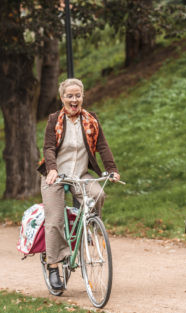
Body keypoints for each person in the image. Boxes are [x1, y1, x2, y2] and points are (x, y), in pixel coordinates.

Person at [37, 78, 120, 290]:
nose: (74, 100)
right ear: (62, 98)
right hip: (55, 176)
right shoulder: (54, 119)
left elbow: (102, 146)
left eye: (78, 95)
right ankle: (53, 265)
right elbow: (48, 148)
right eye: (69, 96)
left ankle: (90, 227)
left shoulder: (91, 120)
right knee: (55, 221)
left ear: (83, 96)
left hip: (80, 175)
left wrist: (112, 170)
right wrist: (53, 169)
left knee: (98, 194)